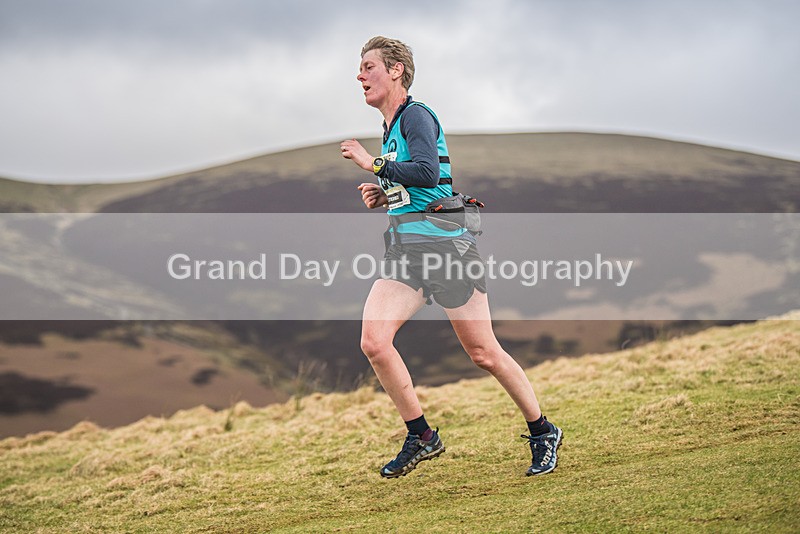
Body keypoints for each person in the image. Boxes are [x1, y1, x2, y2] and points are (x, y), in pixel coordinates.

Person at [341, 36, 562, 478]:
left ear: (396, 70)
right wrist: (385, 196)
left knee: (483, 352)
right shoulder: (391, 127)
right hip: (406, 254)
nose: (359, 75)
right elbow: (426, 185)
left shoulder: (416, 116)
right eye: (359, 68)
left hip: (448, 250)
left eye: (368, 67)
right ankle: (422, 436)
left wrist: (373, 167)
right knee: (374, 342)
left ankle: (543, 431)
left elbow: (424, 168)